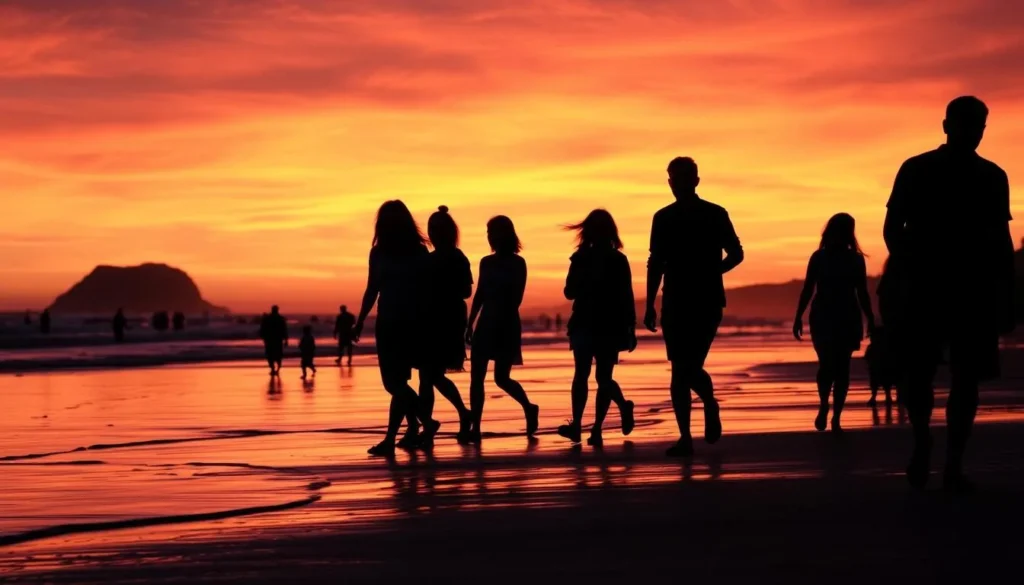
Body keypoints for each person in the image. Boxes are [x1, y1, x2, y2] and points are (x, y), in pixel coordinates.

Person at [884, 96, 1015, 492]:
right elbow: (892, 229)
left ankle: (953, 463)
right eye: (965, 124)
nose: (971, 132)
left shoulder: (993, 176)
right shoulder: (917, 168)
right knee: (920, 373)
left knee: (966, 378)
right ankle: (924, 438)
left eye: (978, 126)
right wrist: (908, 268)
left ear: (983, 130)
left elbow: (1001, 240)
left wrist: (1008, 290)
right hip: (926, 286)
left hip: (972, 289)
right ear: (946, 126)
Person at [645, 157, 744, 457]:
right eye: (675, 178)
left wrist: (713, 272)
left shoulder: (715, 214)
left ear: (696, 181)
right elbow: (656, 262)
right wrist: (649, 303)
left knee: (688, 368)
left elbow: (736, 253)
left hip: (706, 300)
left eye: (685, 178)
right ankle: (686, 437)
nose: (680, 183)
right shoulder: (662, 218)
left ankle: (710, 404)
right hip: (674, 300)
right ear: (670, 183)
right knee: (680, 370)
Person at [353, 200, 440, 456]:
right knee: (397, 383)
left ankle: (410, 429)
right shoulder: (397, 251)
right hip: (399, 322)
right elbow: (373, 289)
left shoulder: (407, 251)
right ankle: (411, 428)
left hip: (401, 323)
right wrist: (360, 320)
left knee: (394, 384)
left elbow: (425, 289)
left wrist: (360, 320)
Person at [556, 209, 637, 446]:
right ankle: (581, 426)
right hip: (586, 321)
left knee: (600, 377)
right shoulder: (581, 258)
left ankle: (598, 426)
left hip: (607, 323)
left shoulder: (617, 260)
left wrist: (631, 327)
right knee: (586, 374)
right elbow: (569, 291)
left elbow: (626, 295)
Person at [793, 213, 876, 432]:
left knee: (839, 368)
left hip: (841, 316)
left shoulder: (855, 259)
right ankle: (825, 406)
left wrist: (871, 318)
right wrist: (798, 316)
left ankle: (836, 415)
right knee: (831, 366)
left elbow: (862, 292)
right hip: (828, 316)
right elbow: (808, 288)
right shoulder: (819, 257)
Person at [466, 215, 539, 443]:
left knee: (501, 378)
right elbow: (479, 294)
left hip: (506, 323)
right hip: (485, 322)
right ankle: (475, 427)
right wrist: (470, 322)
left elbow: (517, 297)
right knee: (476, 378)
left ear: (505, 234)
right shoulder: (486, 262)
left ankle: (529, 407)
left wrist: (498, 302)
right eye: (488, 232)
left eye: (493, 231)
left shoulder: (518, 263)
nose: (489, 236)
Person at [413, 205, 473, 445]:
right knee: (430, 376)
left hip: (447, 319)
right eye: (431, 229)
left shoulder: (457, 257)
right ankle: (458, 414)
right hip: (431, 319)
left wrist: (440, 290)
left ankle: (429, 426)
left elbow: (466, 290)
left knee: (428, 375)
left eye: (437, 229)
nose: (433, 233)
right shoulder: (429, 258)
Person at [865, 326, 894, 406]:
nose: (871, 338)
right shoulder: (873, 347)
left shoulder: (875, 347)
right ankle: (882, 397)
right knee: (882, 384)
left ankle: (884, 397)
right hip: (877, 368)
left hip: (879, 368)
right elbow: (867, 357)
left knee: (883, 384)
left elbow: (867, 357)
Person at [259, 306, 289, 376]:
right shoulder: (280, 319)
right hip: (276, 339)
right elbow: (284, 329)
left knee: (270, 355)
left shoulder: (268, 318)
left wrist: (263, 337)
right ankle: (277, 369)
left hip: (270, 339)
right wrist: (286, 340)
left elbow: (263, 328)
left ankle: (273, 369)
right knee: (277, 355)